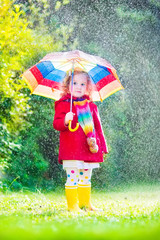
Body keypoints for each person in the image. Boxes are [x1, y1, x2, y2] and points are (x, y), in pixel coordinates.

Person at [53, 70, 108, 212]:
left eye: (83, 84)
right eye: (75, 83)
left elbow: (97, 127)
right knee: (73, 177)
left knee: (86, 176)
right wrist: (66, 119)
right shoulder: (63, 104)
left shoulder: (91, 106)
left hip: (89, 148)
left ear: (88, 87)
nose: (79, 87)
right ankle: (72, 206)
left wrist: (102, 145)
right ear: (67, 85)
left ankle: (85, 205)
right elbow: (57, 124)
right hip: (71, 149)